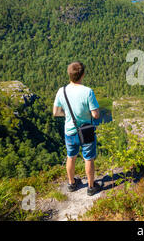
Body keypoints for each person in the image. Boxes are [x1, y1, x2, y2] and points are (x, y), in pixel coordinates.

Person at [53, 61, 102, 196]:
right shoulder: (88, 92)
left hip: (69, 131)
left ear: (69, 74)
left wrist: (68, 114)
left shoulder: (61, 91)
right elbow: (95, 115)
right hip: (86, 131)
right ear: (83, 74)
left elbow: (55, 112)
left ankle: (71, 184)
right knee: (89, 158)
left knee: (71, 156)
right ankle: (91, 187)